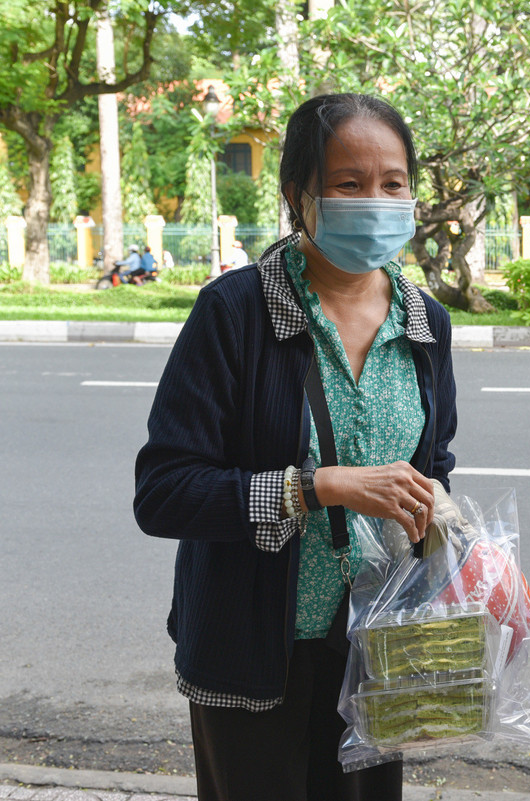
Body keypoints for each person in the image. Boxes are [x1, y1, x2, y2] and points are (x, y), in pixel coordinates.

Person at [134, 93, 457, 801]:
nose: (375, 200)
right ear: (297, 195)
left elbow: (433, 467)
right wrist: (318, 486)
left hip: (374, 650)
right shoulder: (237, 312)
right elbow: (164, 492)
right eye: (348, 184)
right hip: (253, 654)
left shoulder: (425, 323)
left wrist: (458, 535)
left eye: (392, 183)